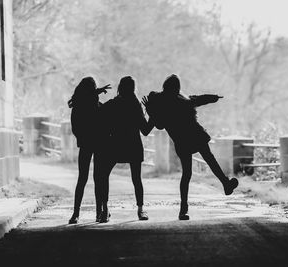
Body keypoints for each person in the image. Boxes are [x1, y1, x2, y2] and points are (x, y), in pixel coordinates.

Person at [142, 74, 238, 220]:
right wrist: (213, 97)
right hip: (195, 134)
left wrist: (150, 110)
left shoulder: (160, 102)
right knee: (209, 160)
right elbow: (197, 99)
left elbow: (159, 125)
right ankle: (225, 184)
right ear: (177, 88)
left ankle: (183, 209)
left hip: (182, 140)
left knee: (187, 174)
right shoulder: (182, 99)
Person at [97, 76, 153, 223]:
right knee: (136, 179)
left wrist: (94, 94)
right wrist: (152, 112)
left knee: (104, 176)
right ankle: (140, 210)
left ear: (120, 87)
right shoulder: (135, 105)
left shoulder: (112, 104)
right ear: (133, 88)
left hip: (114, 144)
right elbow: (146, 131)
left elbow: (99, 117)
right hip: (133, 144)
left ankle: (105, 210)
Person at [67, 77, 111, 224]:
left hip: (86, 144)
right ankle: (100, 212)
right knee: (98, 178)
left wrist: (83, 137)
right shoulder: (98, 106)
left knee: (83, 179)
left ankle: (76, 213)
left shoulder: (78, 107)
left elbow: (75, 129)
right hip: (98, 144)